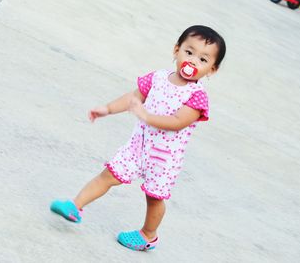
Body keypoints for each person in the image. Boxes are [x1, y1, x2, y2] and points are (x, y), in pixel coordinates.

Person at [50, 25, 226, 251]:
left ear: (212, 69)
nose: (192, 61)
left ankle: (148, 235)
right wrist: (107, 108)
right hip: (137, 146)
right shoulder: (158, 78)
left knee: (154, 197)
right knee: (108, 175)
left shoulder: (197, 96)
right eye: (188, 52)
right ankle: (75, 206)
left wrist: (146, 115)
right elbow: (133, 98)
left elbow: (177, 121)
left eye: (202, 59)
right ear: (176, 50)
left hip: (163, 159)